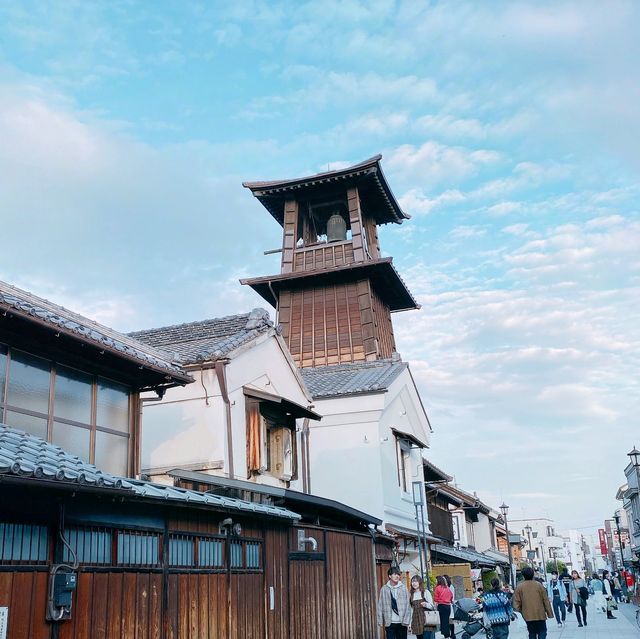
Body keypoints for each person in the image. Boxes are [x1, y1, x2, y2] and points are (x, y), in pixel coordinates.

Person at [513, 566, 553, 639]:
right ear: (533, 574)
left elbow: (516, 603)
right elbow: (545, 600)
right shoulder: (539, 585)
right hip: (540, 614)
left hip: (528, 615)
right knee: (542, 631)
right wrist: (549, 613)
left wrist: (521, 611)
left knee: (532, 633)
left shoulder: (519, 587)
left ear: (523, 575)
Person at [377, 566, 412, 638]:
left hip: (402, 622)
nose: (397, 576)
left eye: (398, 574)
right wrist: (380, 621)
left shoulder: (403, 588)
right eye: (395, 574)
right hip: (389, 622)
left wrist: (407, 620)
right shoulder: (384, 589)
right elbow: (380, 605)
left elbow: (408, 605)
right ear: (389, 576)